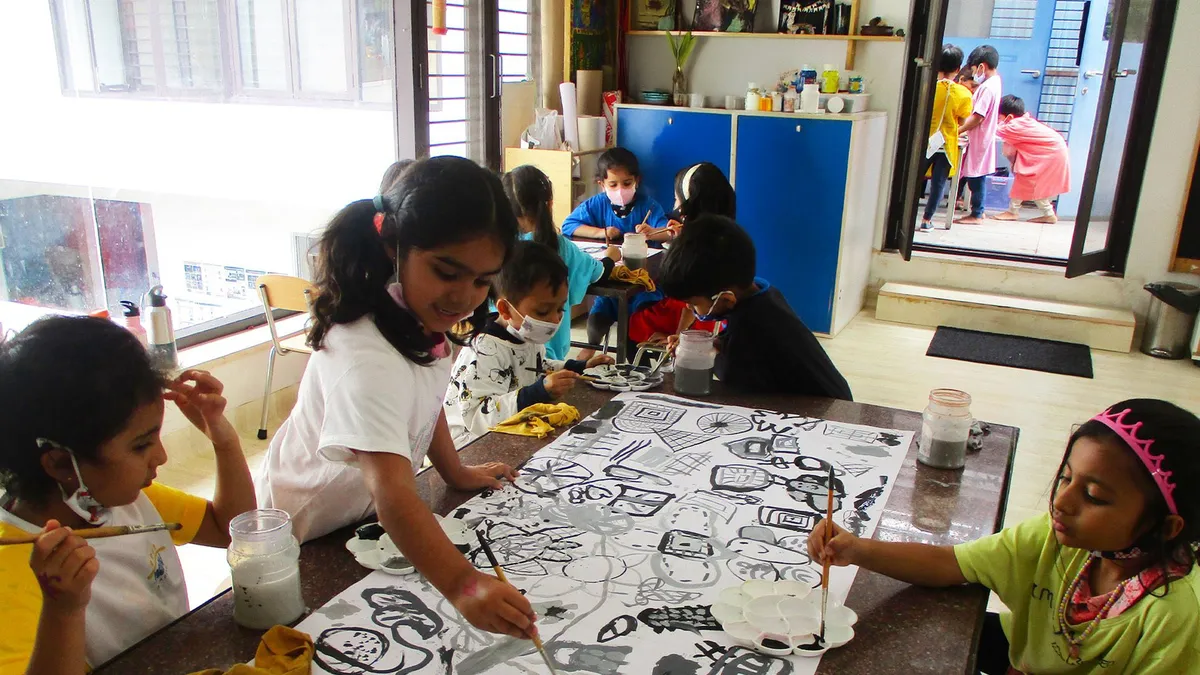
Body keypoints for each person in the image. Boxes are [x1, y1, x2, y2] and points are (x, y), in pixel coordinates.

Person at [255, 156, 540, 640]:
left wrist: (454, 471)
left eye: (481, 280)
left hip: (355, 513)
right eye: (446, 271)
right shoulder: (365, 355)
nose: (464, 297)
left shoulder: (418, 316)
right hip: (300, 530)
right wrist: (465, 585)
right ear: (393, 245)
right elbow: (393, 496)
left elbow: (426, 402)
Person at [809, 399, 1200, 674]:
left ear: (1166, 528)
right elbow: (951, 564)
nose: (1062, 502)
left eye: (1094, 496)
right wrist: (856, 549)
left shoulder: (1175, 615)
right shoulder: (1055, 537)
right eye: (1066, 478)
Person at [0, 316, 255, 673]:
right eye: (140, 446)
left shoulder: (119, 499)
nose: (161, 457)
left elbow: (232, 530)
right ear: (61, 464)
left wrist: (223, 440)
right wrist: (63, 610)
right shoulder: (11, 574)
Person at [658, 214, 852, 400]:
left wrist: (696, 353)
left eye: (694, 304)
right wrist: (709, 345)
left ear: (726, 299)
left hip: (822, 411)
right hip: (831, 395)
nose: (690, 308)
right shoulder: (764, 295)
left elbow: (737, 383)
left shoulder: (750, 327)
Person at [444, 241, 613, 447]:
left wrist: (578, 367)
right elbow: (477, 417)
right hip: (470, 444)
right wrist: (537, 392)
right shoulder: (484, 350)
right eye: (542, 312)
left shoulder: (526, 335)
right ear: (505, 310)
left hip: (509, 429)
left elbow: (537, 366)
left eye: (560, 309)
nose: (554, 320)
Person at [576, 163, 726, 362]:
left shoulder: (697, 244)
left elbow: (690, 299)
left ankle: (643, 370)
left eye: (677, 199)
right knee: (625, 308)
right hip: (693, 308)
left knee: (635, 322)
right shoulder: (720, 232)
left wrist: (680, 336)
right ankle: (600, 342)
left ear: (691, 202)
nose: (675, 206)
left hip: (693, 315)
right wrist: (675, 237)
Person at [502, 165, 620, 361]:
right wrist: (611, 256)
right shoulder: (560, 246)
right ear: (549, 204)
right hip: (550, 353)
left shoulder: (497, 248)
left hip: (503, 349)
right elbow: (599, 272)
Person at [561, 147, 671, 242]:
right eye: (613, 185)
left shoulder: (649, 206)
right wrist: (602, 232)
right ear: (602, 185)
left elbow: (668, 232)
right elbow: (568, 226)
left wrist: (651, 233)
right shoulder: (596, 204)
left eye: (627, 183)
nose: (620, 190)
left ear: (637, 181)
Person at [920, 44, 974, 231]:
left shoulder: (926, 88)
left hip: (924, 141)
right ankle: (927, 220)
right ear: (958, 69)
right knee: (938, 183)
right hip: (947, 143)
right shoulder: (963, 93)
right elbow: (963, 120)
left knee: (914, 179)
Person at [994, 95, 1070, 224]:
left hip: (1049, 154)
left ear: (1009, 116)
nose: (998, 120)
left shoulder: (1014, 126)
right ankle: (1016, 211)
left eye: (999, 118)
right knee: (1027, 180)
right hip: (1054, 151)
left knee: (1032, 182)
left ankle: (1043, 213)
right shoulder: (1024, 121)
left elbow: (992, 130)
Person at [956, 45, 1003, 225]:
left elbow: (977, 117)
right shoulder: (994, 83)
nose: (974, 73)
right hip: (981, 137)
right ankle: (977, 212)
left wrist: (958, 130)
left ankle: (977, 213)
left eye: (974, 69)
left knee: (976, 177)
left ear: (982, 67)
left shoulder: (987, 88)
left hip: (979, 138)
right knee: (976, 174)